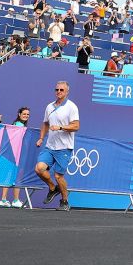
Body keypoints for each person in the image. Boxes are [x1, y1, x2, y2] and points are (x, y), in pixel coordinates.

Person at [35, 81, 80, 212]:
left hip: (64, 147)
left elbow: (76, 126)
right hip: (50, 146)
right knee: (39, 169)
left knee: (58, 176)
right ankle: (53, 188)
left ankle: (64, 201)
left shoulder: (72, 107)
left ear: (67, 92)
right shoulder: (49, 107)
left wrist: (61, 127)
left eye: (61, 90)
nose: (59, 92)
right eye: (57, 89)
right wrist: (41, 138)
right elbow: (45, 124)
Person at [0, 106, 32, 208]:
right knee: (16, 177)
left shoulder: (18, 124)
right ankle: (15, 200)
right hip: (16, 155)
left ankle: (4, 200)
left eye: (28, 114)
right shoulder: (19, 125)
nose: (26, 115)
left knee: (9, 176)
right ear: (19, 114)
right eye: (24, 114)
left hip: (13, 155)